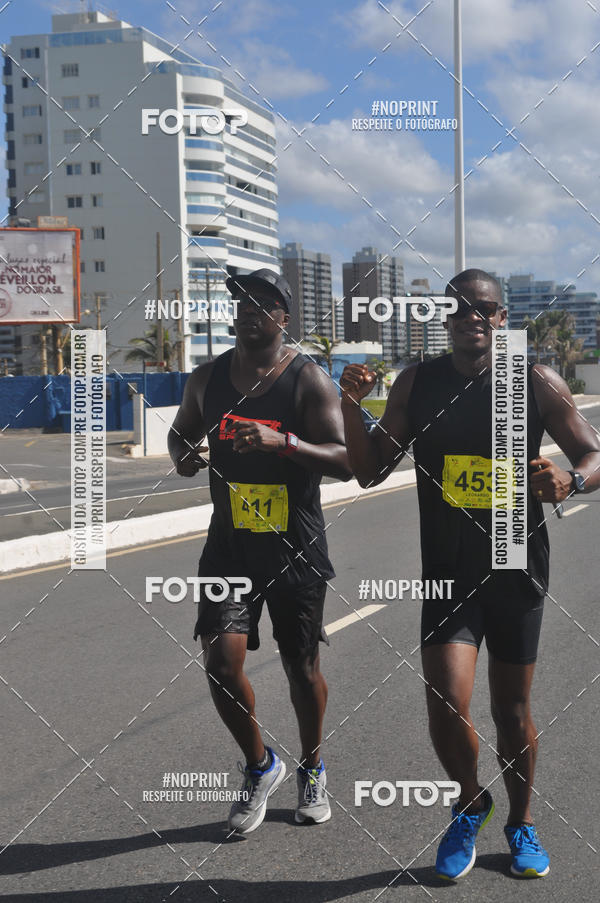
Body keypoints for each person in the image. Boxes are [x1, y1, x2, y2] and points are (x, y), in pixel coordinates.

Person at [340, 269, 600, 880]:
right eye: (457, 309)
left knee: (512, 712)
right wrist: (352, 408)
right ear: (444, 318)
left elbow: (594, 453)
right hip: (449, 572)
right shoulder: (418, 382)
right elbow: (369, 470)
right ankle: (468, 802)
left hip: (515, 564)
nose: (470, 317)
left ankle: (520, 822)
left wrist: (571, 480)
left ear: (502, 318)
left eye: (483, 308)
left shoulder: (533, 379)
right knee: (446, 699)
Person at [169, 268, 351, 835]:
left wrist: (284, 442)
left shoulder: (308, 380)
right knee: (222, 664)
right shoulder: (206, 377)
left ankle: (313, 765)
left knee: (301, 667)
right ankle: (260, 764)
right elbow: (179, 434)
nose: (248, 309)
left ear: (284, 316)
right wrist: (185, 456)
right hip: (228, 549)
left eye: (262, 302)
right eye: (240, 301)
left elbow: (346, 461)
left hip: (295, 548)